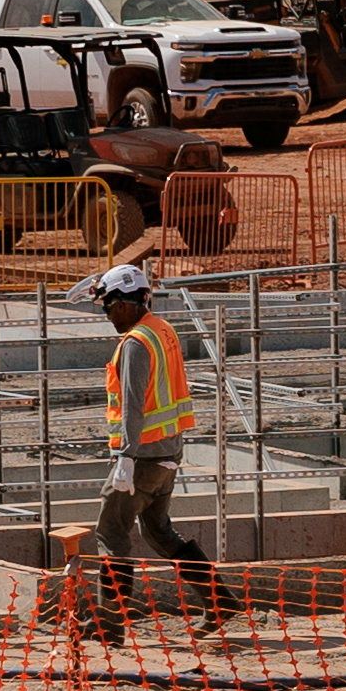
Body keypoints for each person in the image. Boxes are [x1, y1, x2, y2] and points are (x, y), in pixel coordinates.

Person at [81, 263, 222, 635]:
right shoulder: (162, 330)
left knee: (110, 532)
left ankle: (109, 623)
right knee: (158, 531)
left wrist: (124, 457)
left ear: (125, 303)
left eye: (108, 307)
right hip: (167, 454)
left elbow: (132, 403)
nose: (108, 315)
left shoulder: (134, 343)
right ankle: (220, 602)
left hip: (141, 458)